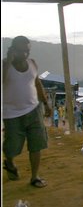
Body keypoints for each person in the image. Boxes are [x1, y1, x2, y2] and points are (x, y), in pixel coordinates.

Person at [2, 35, 52, 188]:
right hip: (11, 114)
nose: (25, 54)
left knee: (36, 144)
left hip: (33, 109)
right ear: (13, 50)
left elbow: (37, 84)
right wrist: (8, 62)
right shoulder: (4, 65)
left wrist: (45, 103)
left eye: (27, 51)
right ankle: (9, 162)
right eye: (21, 51)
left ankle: (34, 176)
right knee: (12, 147)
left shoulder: (32, 64)